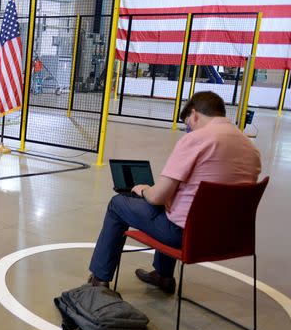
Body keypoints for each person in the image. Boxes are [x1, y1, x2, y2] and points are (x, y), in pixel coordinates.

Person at [87, 91, 262, 292]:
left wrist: (145, 190)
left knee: (118, 204)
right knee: (174, 207)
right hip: (228, 237)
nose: (189, 130)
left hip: (187, 236)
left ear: (194, 114)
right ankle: (163, 276)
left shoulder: (197, 139)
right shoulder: (251, 149)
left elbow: (157, 196)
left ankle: (99, 279)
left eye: (188, 124)